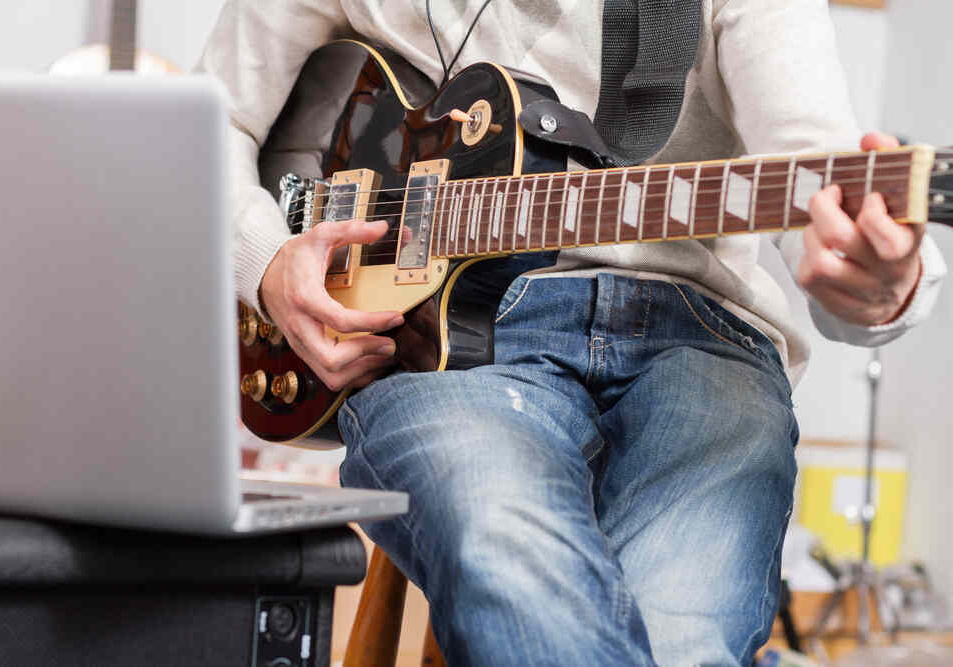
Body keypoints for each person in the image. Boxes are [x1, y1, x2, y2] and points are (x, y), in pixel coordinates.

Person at [200, 1, 947, 664]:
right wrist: (266, 263)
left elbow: (816, 171)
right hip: (449, 348)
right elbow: (212, 123)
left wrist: (876, 279)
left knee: (682, 635)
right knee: (507, 548)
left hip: (700, 334)